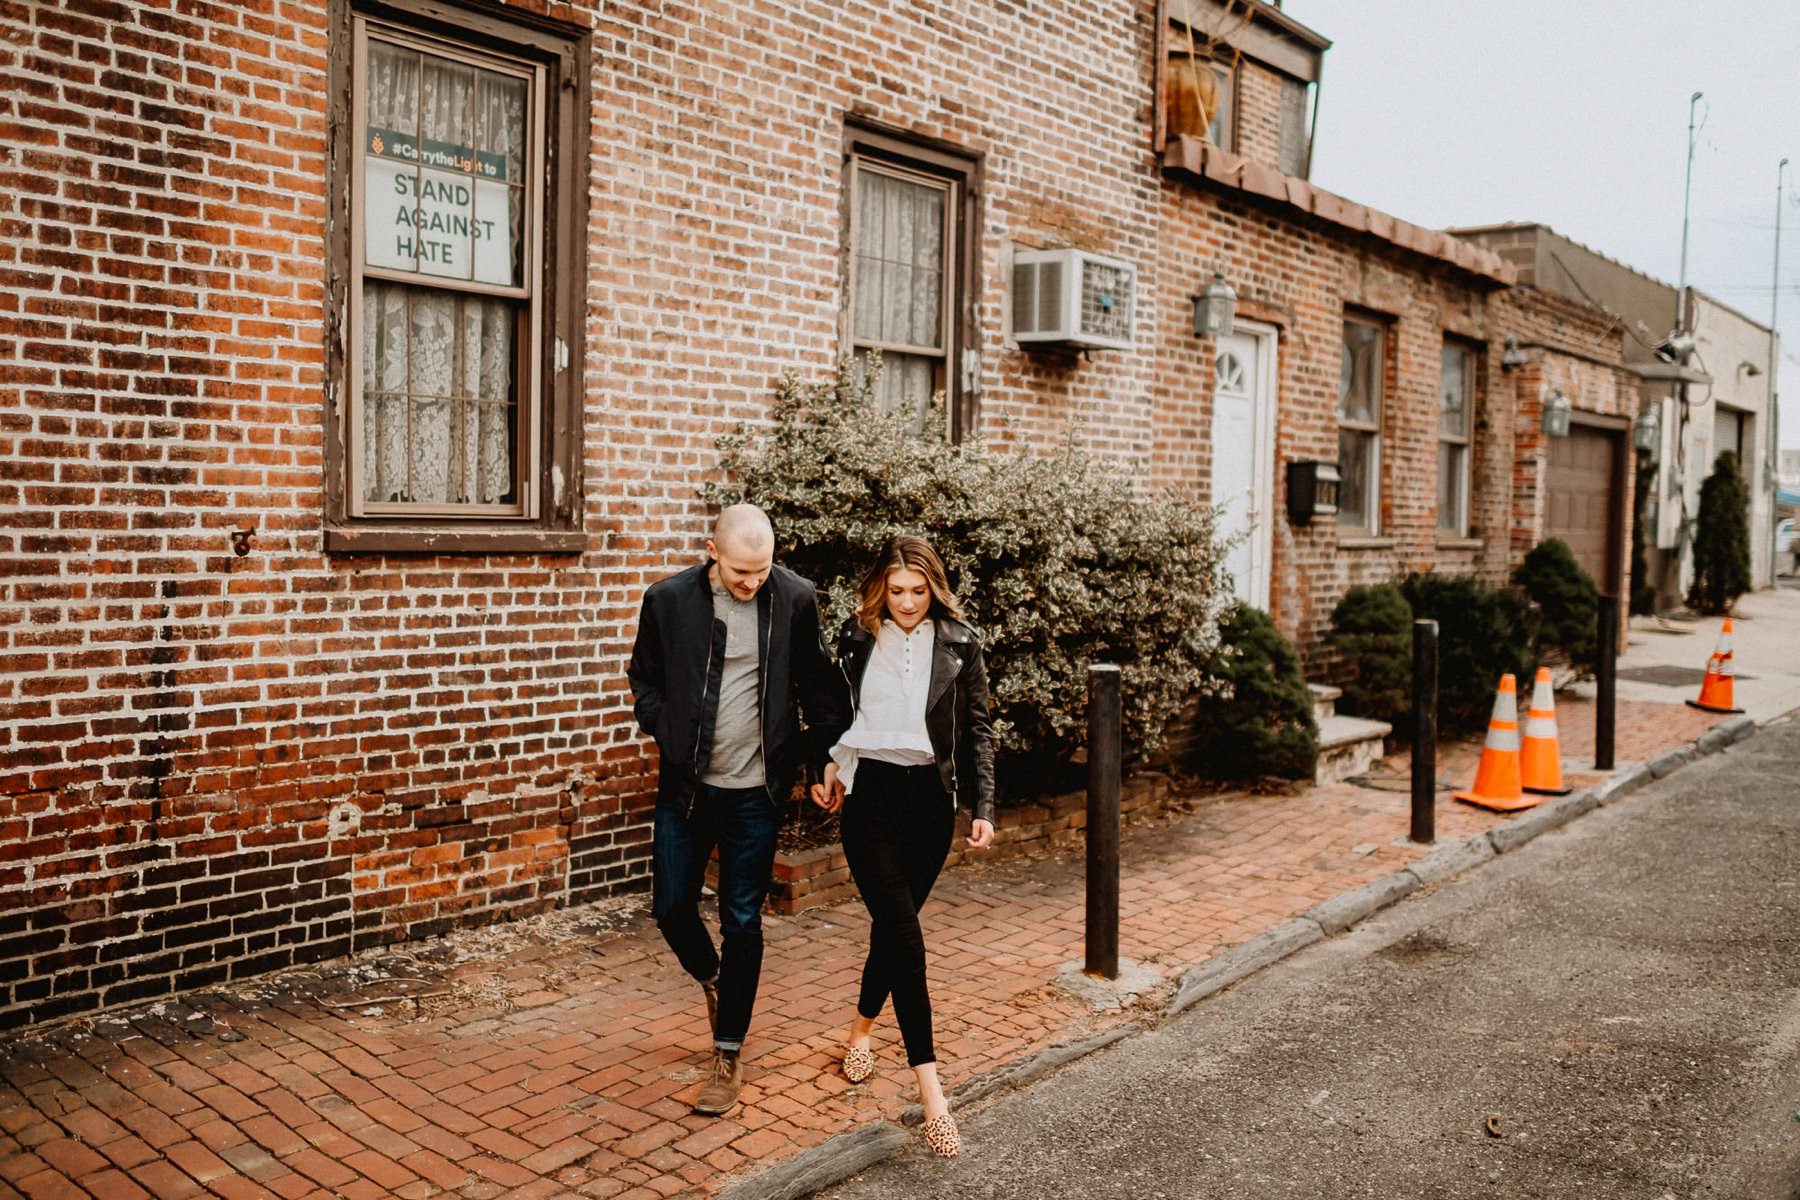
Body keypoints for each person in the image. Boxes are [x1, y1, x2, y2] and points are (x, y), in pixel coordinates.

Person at [628, 504, 848, 1117]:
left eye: (762, 570)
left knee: (742, 920)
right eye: (740, 572)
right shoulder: (668, 602)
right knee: (671, 905)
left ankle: (728, 1049)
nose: (752, 583)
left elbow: (818, 686)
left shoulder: (795, 598)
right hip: (687, 787)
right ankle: (715, 980)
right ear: (711, 553)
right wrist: (666, 730)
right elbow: (643, 678)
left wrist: (826, 759)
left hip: (757, 792)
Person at [811, 534, 996, 1158]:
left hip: (929, 807)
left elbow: (977, 730)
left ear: (933, 588)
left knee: (894, 931)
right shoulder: (856, 636)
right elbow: (830, 711)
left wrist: (984, 807)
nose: (909, 602)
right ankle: (932, 1091)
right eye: (897, 592)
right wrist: (828, 765)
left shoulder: (961, 641)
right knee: (906, 936)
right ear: (879, 590)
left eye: (919, 591)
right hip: (871, 800)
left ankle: (860, 1034)